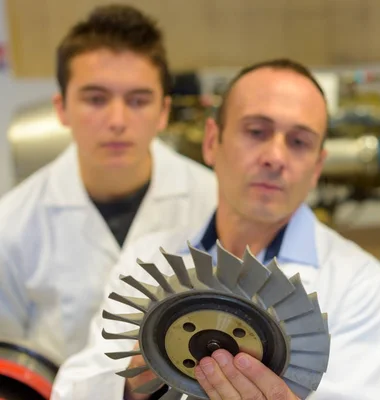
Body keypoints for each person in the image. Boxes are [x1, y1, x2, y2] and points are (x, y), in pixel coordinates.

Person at [50, 58, 380, 400]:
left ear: (316, 167)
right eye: (256, 131)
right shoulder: (149, 256)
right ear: (211, 141)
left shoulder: (356, 283)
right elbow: (72, 388)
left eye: (298, 142)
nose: (275, 157)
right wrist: (133, 383)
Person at [0, 4, 217, 366]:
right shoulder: (12, 224)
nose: (117, 120)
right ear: (62, 108)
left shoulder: (215, 202)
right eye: (96, 99)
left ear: (163, 111)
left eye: (138, 100)